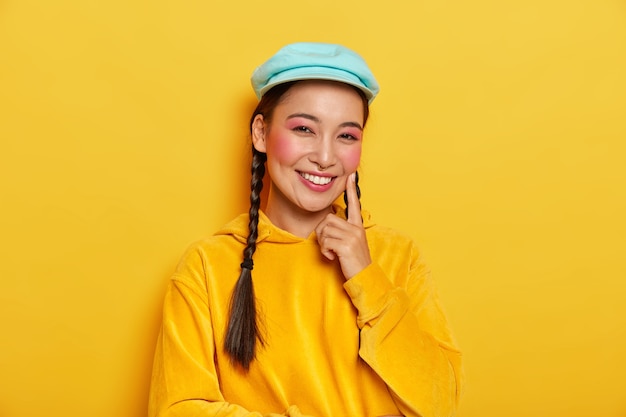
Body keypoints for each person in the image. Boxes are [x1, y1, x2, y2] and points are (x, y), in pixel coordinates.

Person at [148, 42, 463, 417]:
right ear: (261, 133)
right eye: (304, 129)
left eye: (346, 136)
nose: (325, 157)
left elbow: (440, 403)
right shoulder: (207, 266)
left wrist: (368, 278)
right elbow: (178, 408)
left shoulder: (398, 256)